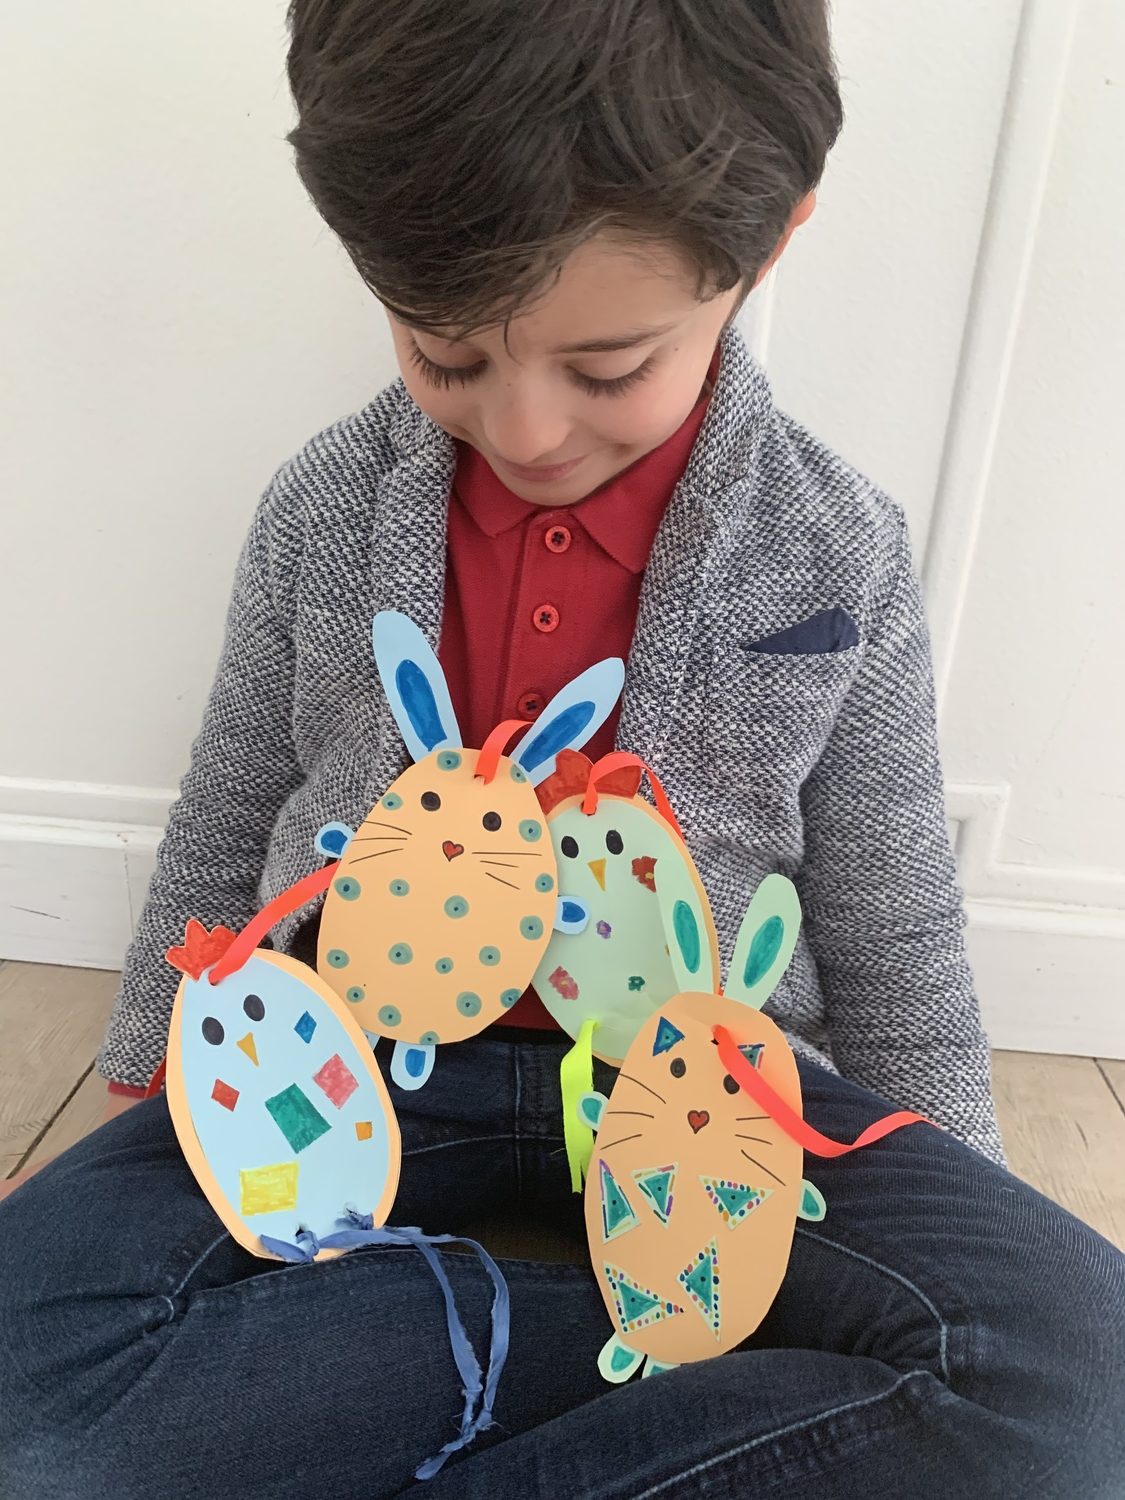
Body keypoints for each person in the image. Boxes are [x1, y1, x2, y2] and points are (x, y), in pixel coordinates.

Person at [2, 3, 1122, 1495]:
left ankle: (420, 1391)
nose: (524, 428)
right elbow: (229, 804)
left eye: (606, 369)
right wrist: (156, 1071)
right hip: (354, 1060)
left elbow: (891, 901)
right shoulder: (321, 506)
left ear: (769, 243)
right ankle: (651, 1358)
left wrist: (954, 1191)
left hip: (713, 1083)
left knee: (1083, 1388)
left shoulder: (836, 541)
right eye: (444, 353)